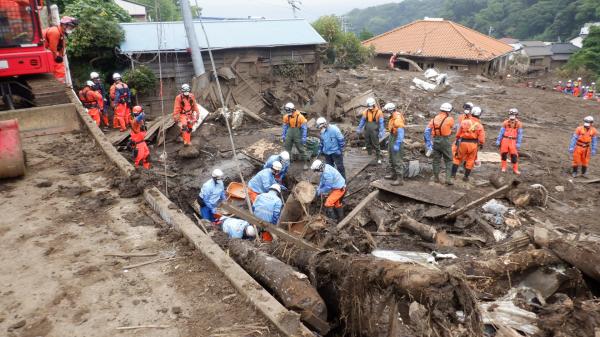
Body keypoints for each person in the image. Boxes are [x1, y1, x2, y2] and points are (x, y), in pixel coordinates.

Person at [424, 103, 455, 185]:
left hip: (435, 140)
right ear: (449, 111)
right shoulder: (450, 119)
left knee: (436, 160)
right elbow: (451, 127)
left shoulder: (434, 119)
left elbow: (427, 131)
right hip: (445, 140)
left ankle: (436, 178)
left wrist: (428, 142)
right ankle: (448, 179)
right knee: (449, 160)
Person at [451, 106, 485, 181]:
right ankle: (466, 177)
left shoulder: (464, 122)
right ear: (479, 115)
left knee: (457, 157)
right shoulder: (479, 125)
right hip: (473, 145)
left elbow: (458, 133)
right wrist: (481, 144)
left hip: (462, 143)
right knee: (470, 160)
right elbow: (481, 138)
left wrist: (457, 140)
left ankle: (453, 175)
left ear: (471, 113)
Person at [43, 16, 78, 82]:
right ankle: (59, 83)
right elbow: (53, 49)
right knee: (59, 67)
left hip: (47, 50)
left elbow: (60, 46)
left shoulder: (60, 32)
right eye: (71, 26)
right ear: (64, 25)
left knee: (59, 65)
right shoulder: (55, 32)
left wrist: (61, 55)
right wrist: (58, 58)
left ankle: (58, 81)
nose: (71, 28)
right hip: (46, 51)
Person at [357, 97, 385, 164]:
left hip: (374, 130)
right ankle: (369, 154)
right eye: (369, 106)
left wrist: (381, 131)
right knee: (367, 142)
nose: (370, 108)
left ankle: (378, 157)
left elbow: (381, 123)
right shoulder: (365, 112)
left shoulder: (379, 112)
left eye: (371, 106)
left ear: (373, 105)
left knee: (376, 144)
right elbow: (362, 121)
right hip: (367, 130)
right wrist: (359, 128)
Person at [383, 103, 405, 186]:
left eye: (387, 111)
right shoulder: (392, 117)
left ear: (390, 110)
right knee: (391, 157)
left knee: (397, 158)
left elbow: (401, 132)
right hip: (392, 137)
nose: (386, 112)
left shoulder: (398, 118)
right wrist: (390, 139)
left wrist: (398, 143)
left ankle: (400, 179)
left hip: (397, 138)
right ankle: (394, 174)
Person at [496, 108, 523, 175]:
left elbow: (520, 134)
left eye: (513, 114)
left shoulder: (519, 124)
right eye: (511, 114)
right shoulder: (505, 122)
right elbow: (501, 132)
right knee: (503, 154)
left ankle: (515, 169)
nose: (512, 116)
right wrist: (499, 140)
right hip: (505, 140)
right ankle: (503, 168)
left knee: (514, 156)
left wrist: (518, 143)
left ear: (516, 115)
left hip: (513, 141)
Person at [281, 102, 308, 169]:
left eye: (289, 110)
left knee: (301, 148)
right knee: (287, 147)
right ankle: (289, 160)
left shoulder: (300, 117)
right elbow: (285, 126)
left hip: (297, 132)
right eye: (287, 111)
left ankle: (305, 163)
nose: (288, 112)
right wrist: (283, 134)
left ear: (293, 109)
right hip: (289, 132)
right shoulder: (286, 116)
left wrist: (304, 137)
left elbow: (304, 128)